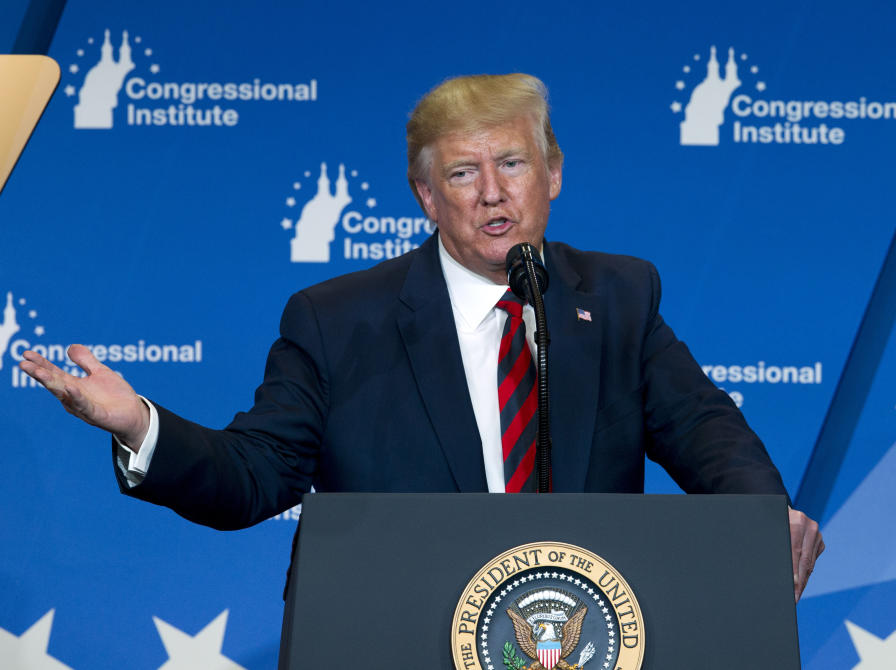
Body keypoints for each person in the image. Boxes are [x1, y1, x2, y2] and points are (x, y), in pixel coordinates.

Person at [19, 73, 824, 600]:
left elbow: (707, 431)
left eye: (512, 163)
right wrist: (139, 426)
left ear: (554, 175)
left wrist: (761, 518)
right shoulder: (337, 320)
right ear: (426, 198)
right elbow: (255, 476)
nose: (493, 194)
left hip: (578, 632)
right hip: (397, 637)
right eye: (462, 174)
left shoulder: (615, 298)